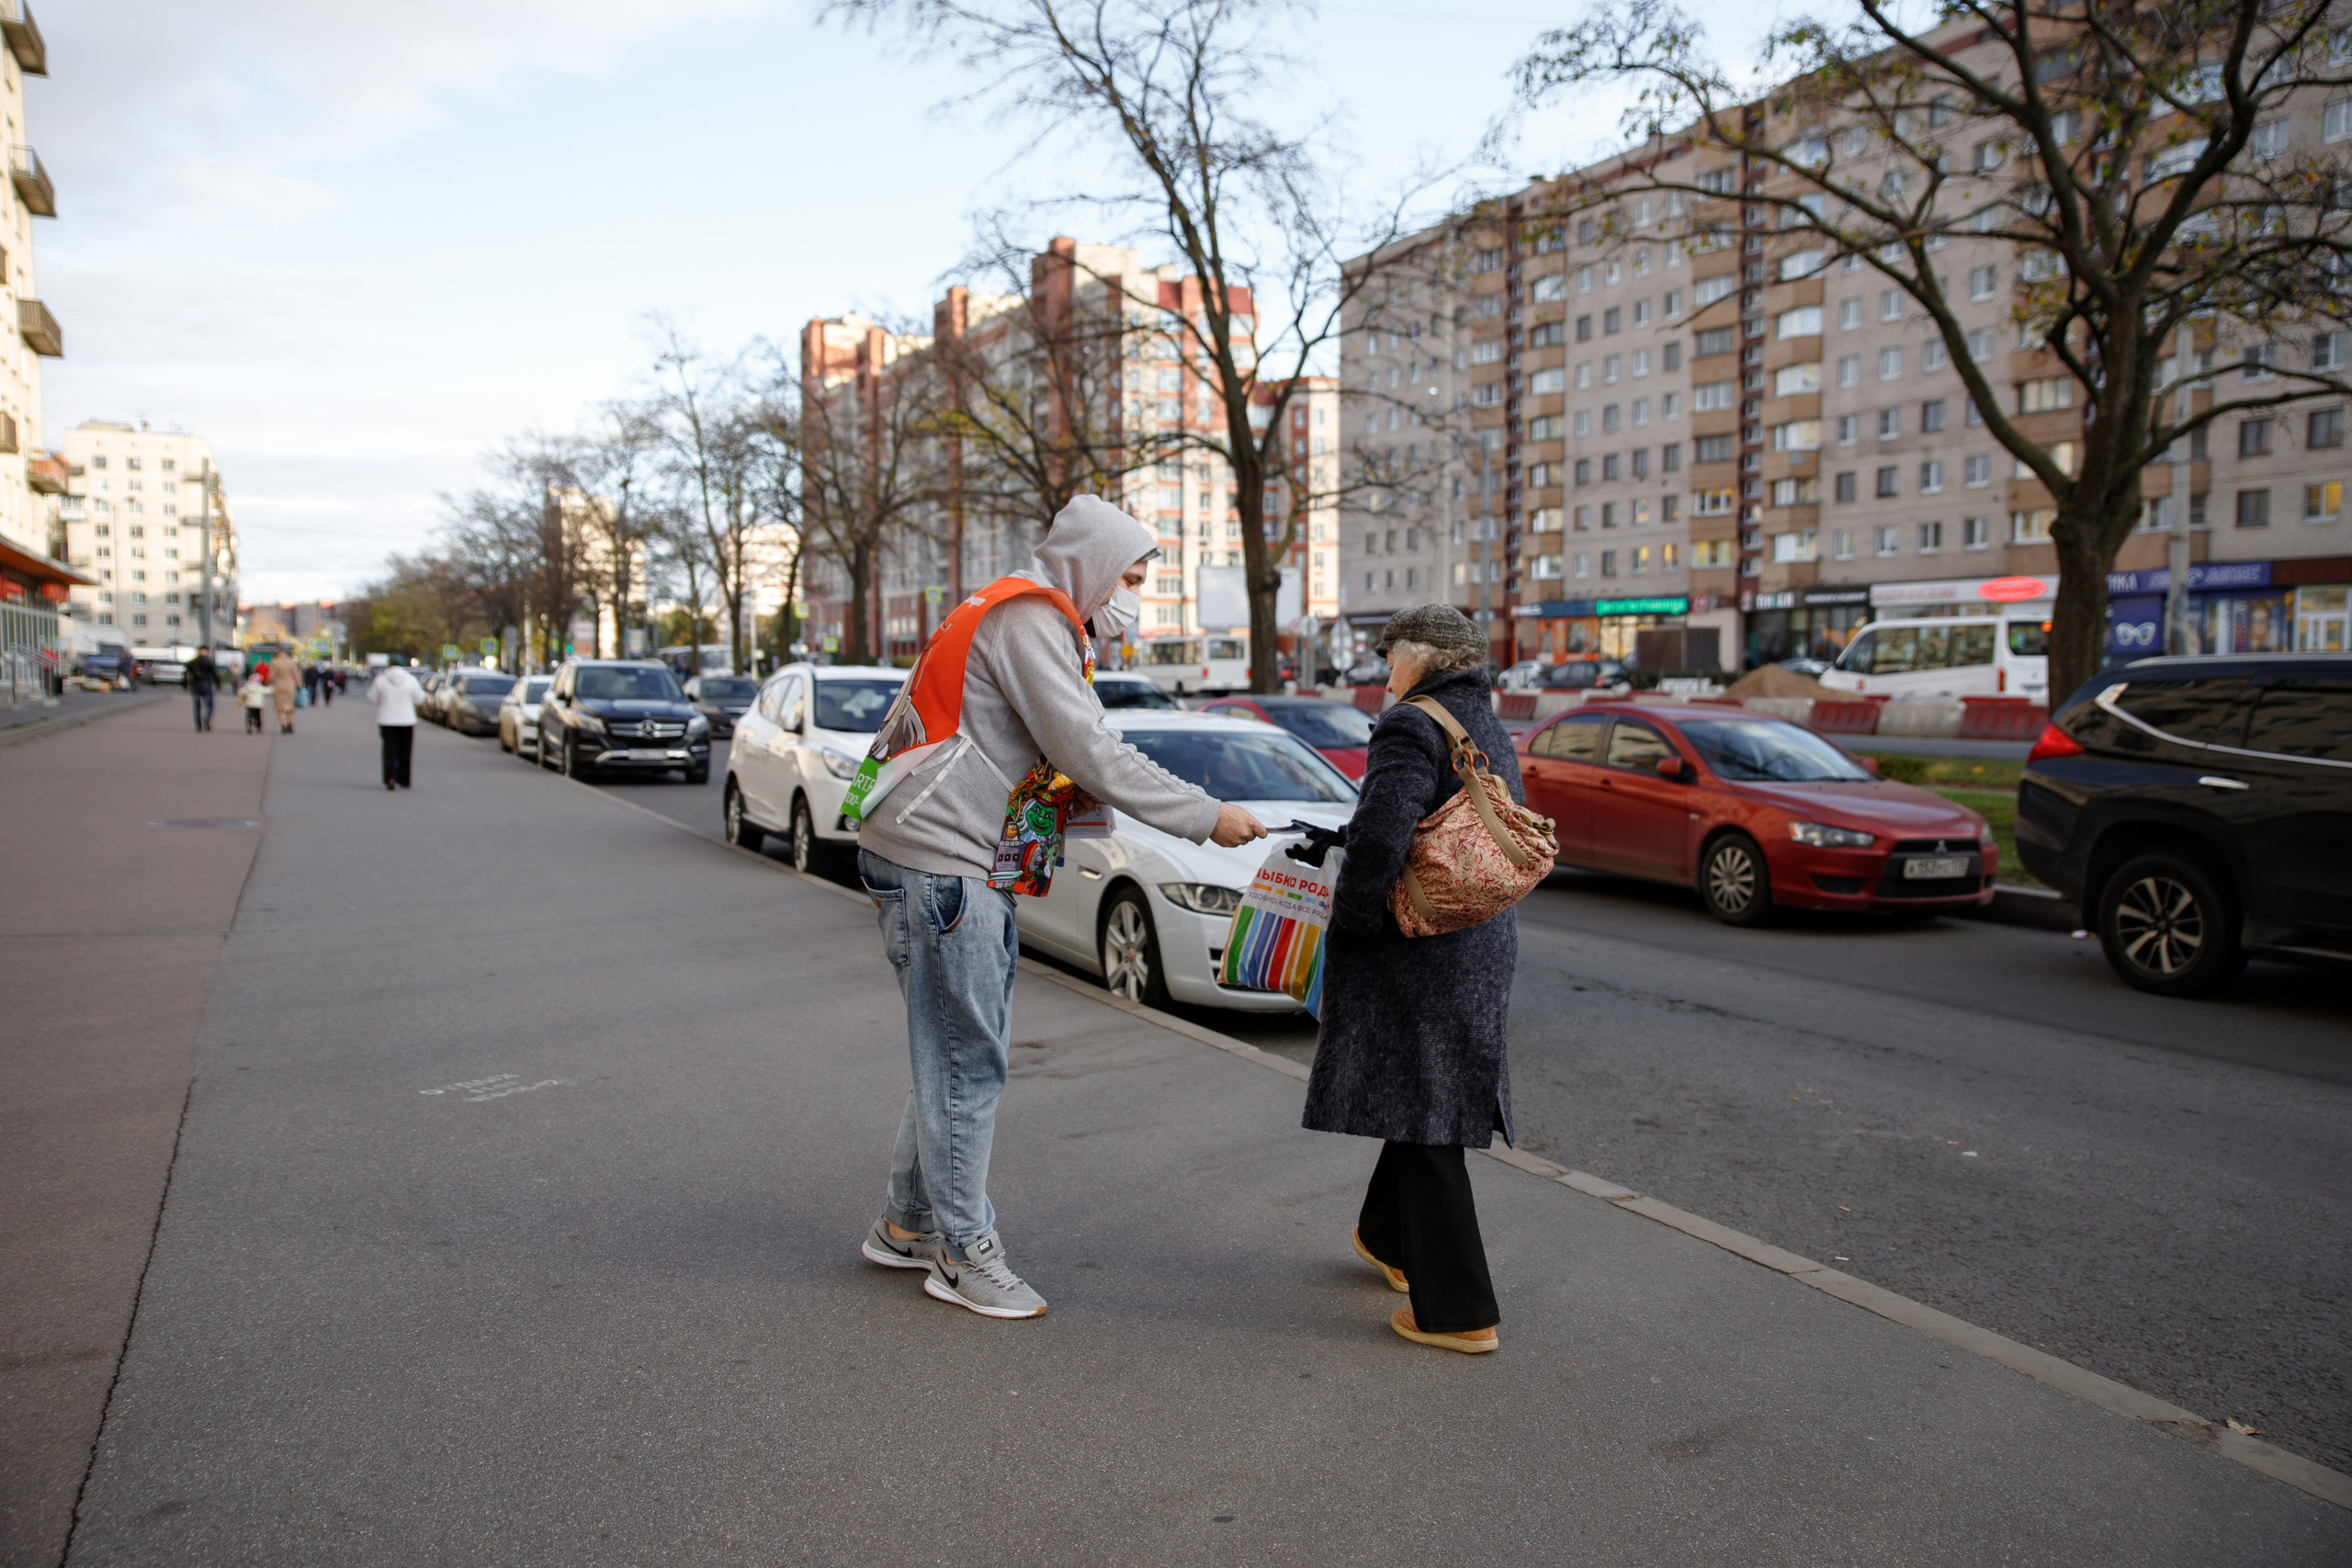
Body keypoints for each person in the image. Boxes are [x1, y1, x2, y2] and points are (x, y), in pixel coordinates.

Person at [853, 494, 1267, 1319]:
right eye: (1132, 579)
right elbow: (1089, 749)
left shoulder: (1008, 606)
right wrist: (1204, 813)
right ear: (1093, 567)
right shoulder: (1033, 621)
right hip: (946, 858)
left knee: (948, 1051)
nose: (1135, 598)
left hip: (919, 845)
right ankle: (963, 1255)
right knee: (967, 1062)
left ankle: (907, 1224)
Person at [1301, 604, 1523, 1355]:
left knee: (1430, 1115)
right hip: (1476, 941)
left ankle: (1460, 1312)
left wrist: (1351, 925)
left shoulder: (1410, 723)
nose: (1385, 669)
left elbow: (1382, 840)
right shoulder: (1483, 723)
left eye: (1390, 653)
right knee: (1423, 1092)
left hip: (1416, 948)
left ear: (1421, 656)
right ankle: (1388, 1238)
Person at [369, 663, 424, 789]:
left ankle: (390, 778)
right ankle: (404, 779)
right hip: (407, 720)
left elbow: (371, 697)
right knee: (405, 751)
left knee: (389, 750)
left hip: (386, 720)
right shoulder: (411, 680)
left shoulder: (381, 680)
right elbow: (420, 698)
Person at [186, 646, 219, 732]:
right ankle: (206, 718)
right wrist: (217, 684)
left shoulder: (192, 662)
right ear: (206, 651)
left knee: (197, 706)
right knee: (209, 705)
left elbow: (187, 674)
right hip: (206, 684)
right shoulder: (209, 662)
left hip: (195, 685)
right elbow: (214, 674)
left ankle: (198, 725)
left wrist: (185, 685)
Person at [270, 655, 300, 734]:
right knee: (290, 706)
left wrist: (267, 683)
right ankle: (290, 724)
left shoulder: (274, 662)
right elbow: (296, 675)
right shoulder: (290, 662)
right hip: (290, 686)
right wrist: (299, 685)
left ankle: (283, 725)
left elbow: (270, 676)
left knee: (280, 707)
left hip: (278, 686)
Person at [240, 667, 269, 733]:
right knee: (257, 716)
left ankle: (249, 725)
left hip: (249, 704)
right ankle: (258, 726)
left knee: (249, 716)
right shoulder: (260, 687)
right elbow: (267, 691)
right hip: (258, 705)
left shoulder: (247, 687)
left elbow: (241, 692)